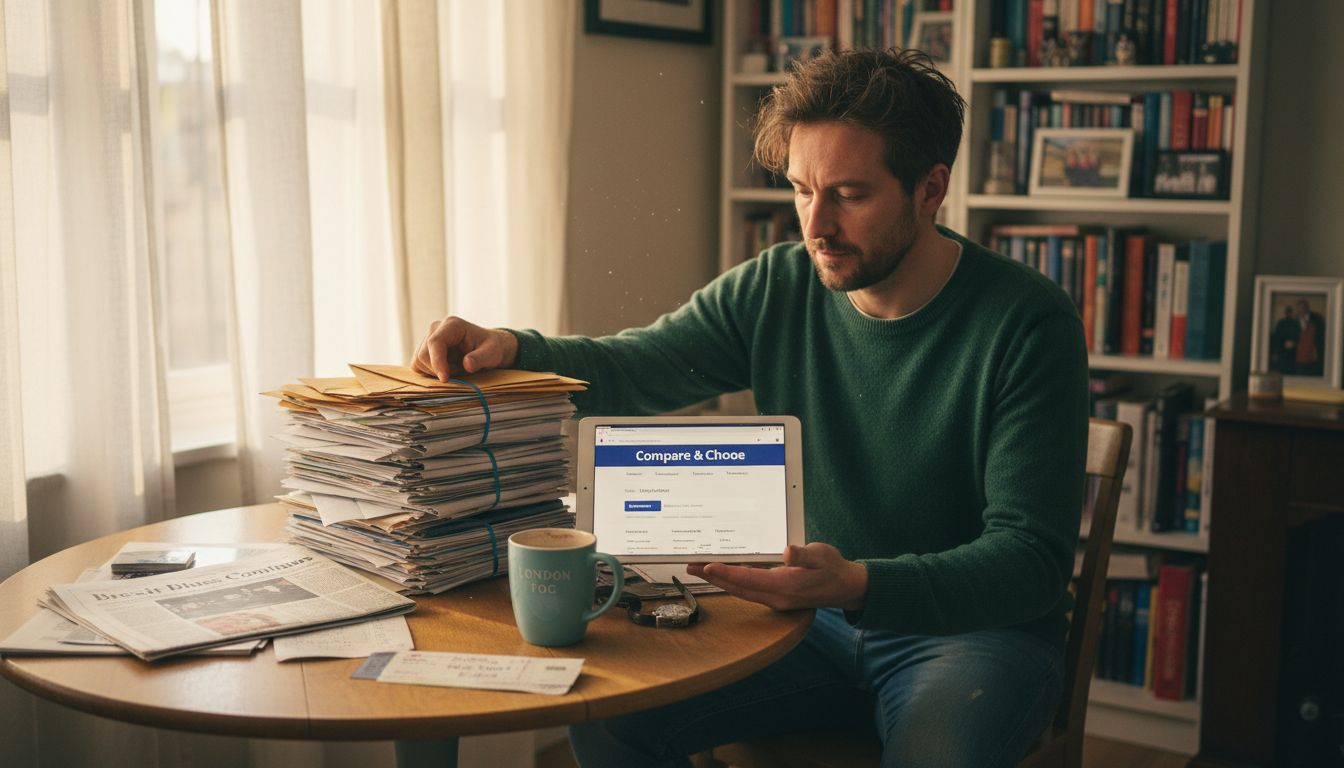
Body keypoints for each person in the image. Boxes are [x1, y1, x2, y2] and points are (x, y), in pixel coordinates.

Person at [413, 48, 1088, 768]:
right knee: (609, 715)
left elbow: (1031, 561)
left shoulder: (1027, 321)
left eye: (850, 195)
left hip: (973, 636)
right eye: (801, 189)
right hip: (805, 622)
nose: (816, 225)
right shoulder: (777, 285)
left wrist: (860, 583)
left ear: (929, 190)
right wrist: (512, 346)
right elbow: (639, 365)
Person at [1294, 299, 1326, 377]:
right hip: (1299, 353)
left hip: (1313, 351)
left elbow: (1321, 334)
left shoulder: (1316, 317)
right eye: (1299, 308)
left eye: (1303, 307)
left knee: (1312, 373)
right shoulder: (1295, 319)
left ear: (1307, 307)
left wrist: (1316, 349)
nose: (1301, 310)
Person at [1271, 304, 1298, 374]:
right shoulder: (1294, 323)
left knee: (1287, 368)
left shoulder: (1283, 323)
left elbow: (1277, 337)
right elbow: (1277, 337)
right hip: (1285, 350)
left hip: (1287, 350)